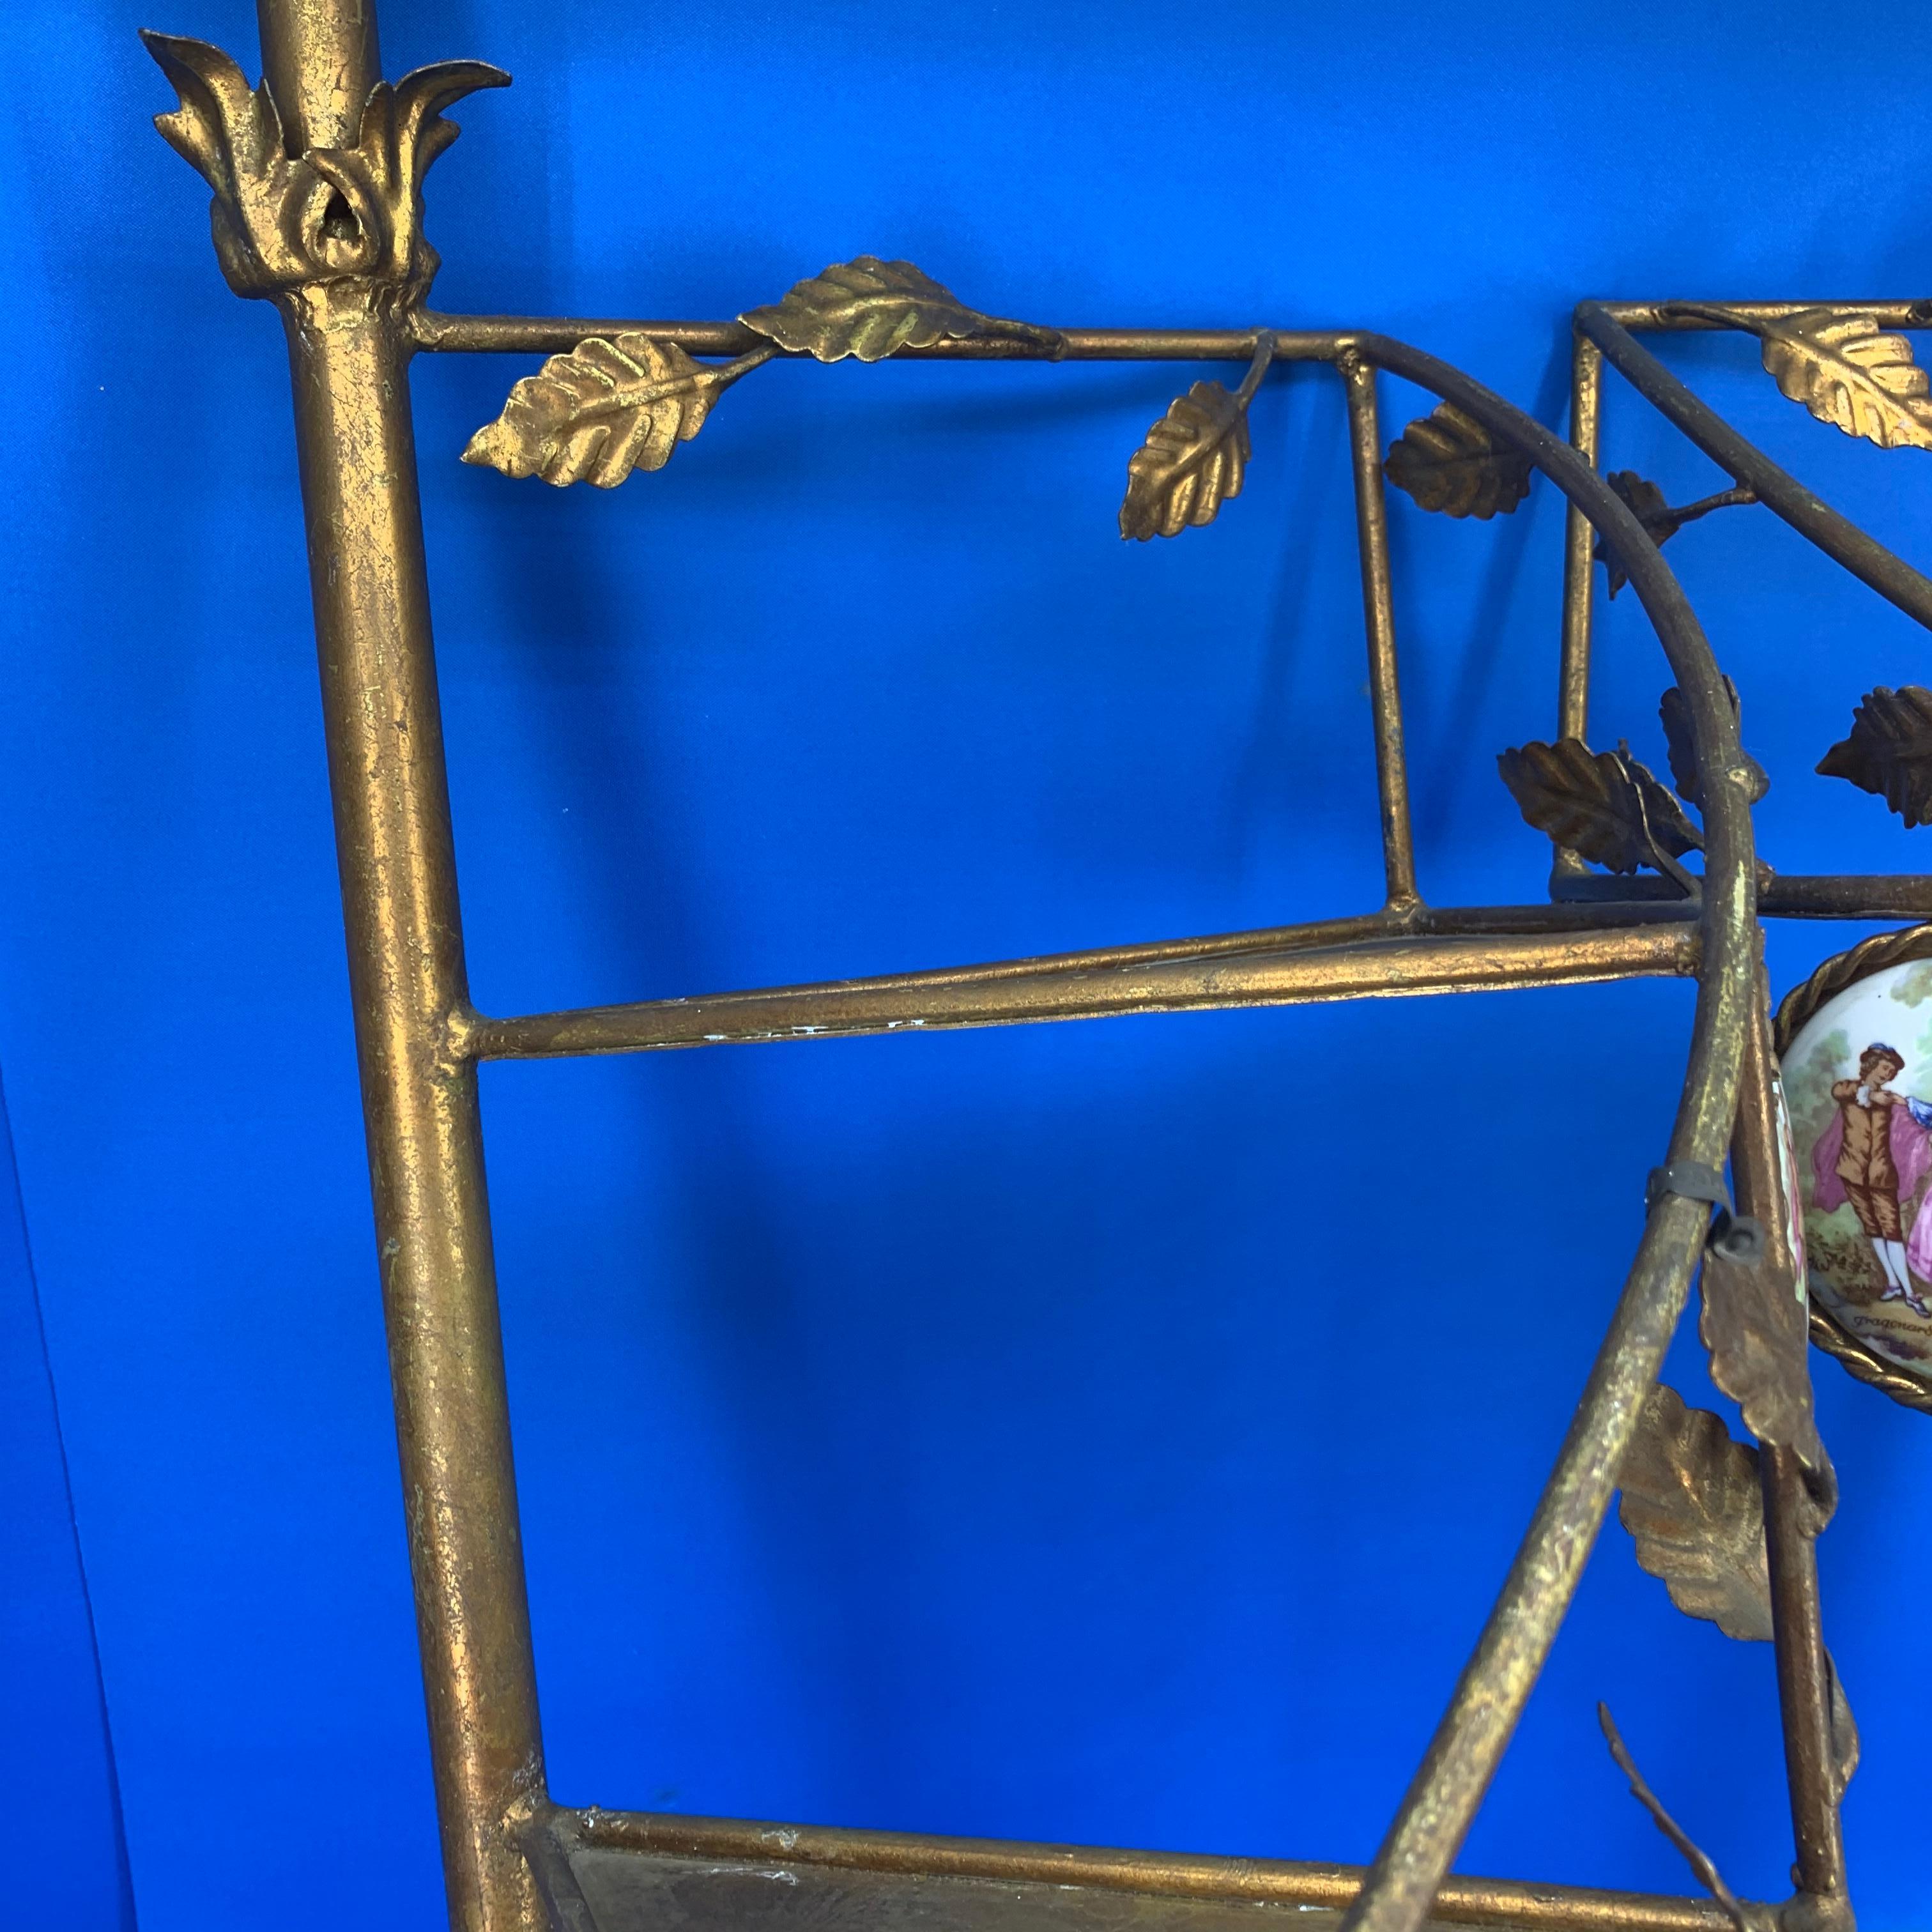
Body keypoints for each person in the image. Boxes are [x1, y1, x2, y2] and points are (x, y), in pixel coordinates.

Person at [1814, 1043, 1932, 1317]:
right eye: (1884, 1068)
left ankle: (1910, 1294)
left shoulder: (1890, 1101)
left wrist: (1904, 1104)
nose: (1887, 1074)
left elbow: (1921, 1120)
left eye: (1891, 1071)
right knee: (1871, 1226)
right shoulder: (1849, 1090)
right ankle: (1892, 1282)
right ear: (1871, 1066)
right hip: (1852, 1171)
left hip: (1881, 1173)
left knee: (1891, 1229)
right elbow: (1839, 1091)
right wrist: (1865, 1092)